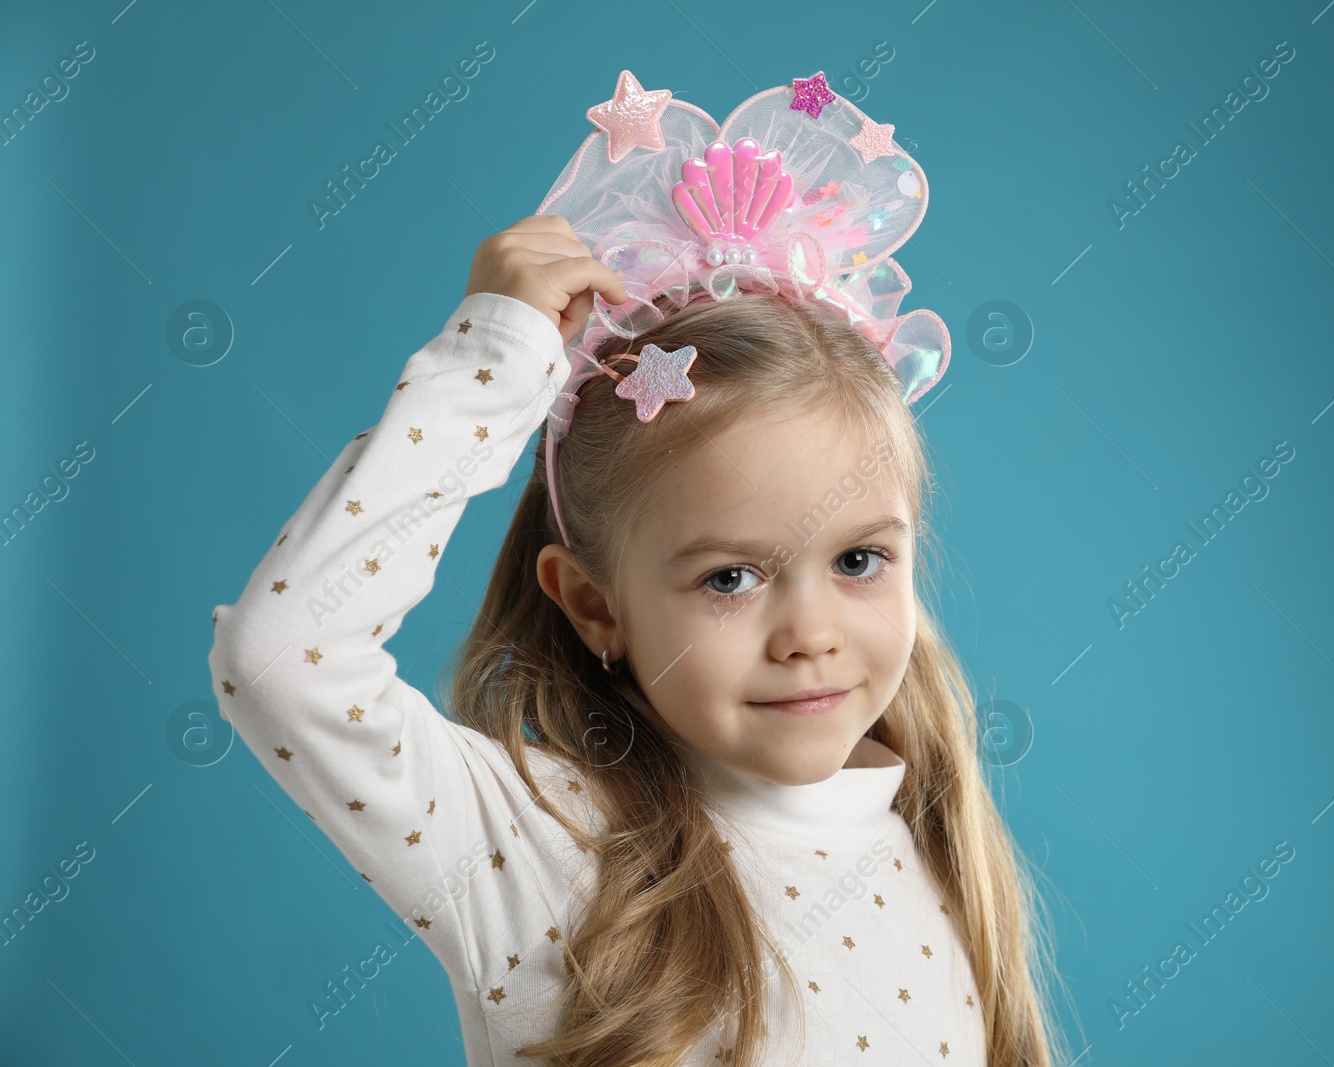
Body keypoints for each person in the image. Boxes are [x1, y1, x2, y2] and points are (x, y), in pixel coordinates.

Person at [208, 70, 1073, 1067]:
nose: (811, 634)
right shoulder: (541, 846)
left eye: (859, 559)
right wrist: (492, 361)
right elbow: (282, 657)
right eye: (729, 579)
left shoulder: (939, 848)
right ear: (592, 605)